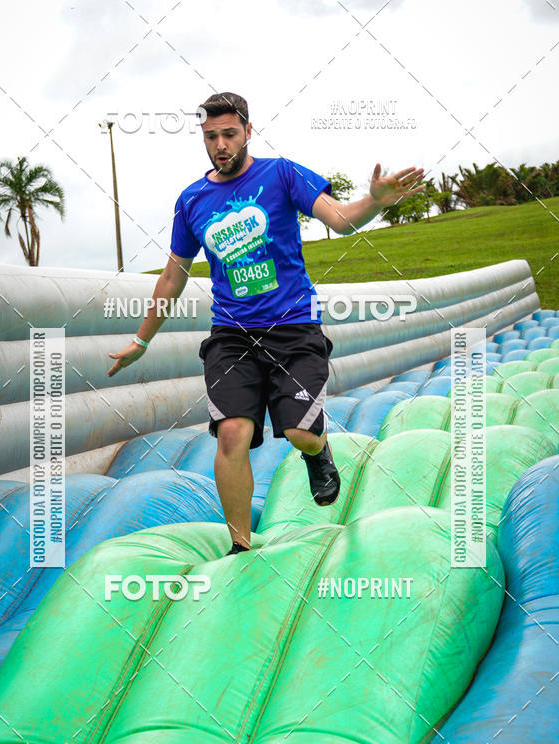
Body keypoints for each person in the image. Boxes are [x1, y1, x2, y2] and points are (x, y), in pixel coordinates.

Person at [108, 91, 424, 556]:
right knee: (231, 432)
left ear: (248, 131)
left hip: (293, 326)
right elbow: (173, 276)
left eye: (229, 134)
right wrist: (141, 341)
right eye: (211, 136)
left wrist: (373, 202)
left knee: (300, 433)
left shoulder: (282, 174)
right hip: (232, 335)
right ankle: (240, 546)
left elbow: (339, 220)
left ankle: (318, 451)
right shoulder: (192, 201)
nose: (220, 144)